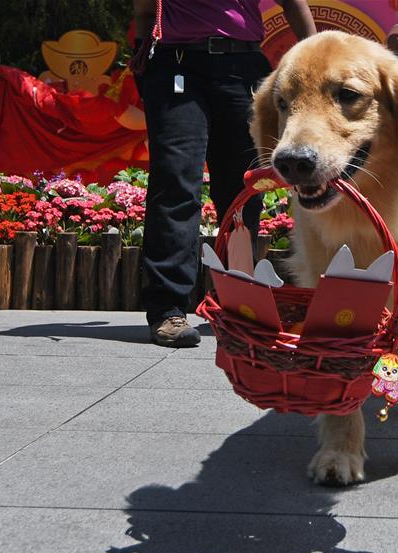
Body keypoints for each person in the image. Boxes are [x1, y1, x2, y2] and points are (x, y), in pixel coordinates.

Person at [132, 0, 316, 347]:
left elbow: (294, 4)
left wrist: (315, 59)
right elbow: (144, 12)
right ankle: (167, 309)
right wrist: (143, 59)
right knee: (175, 183)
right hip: (177, 65)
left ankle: (239, 304)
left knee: (243, 189)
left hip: (242, 67)